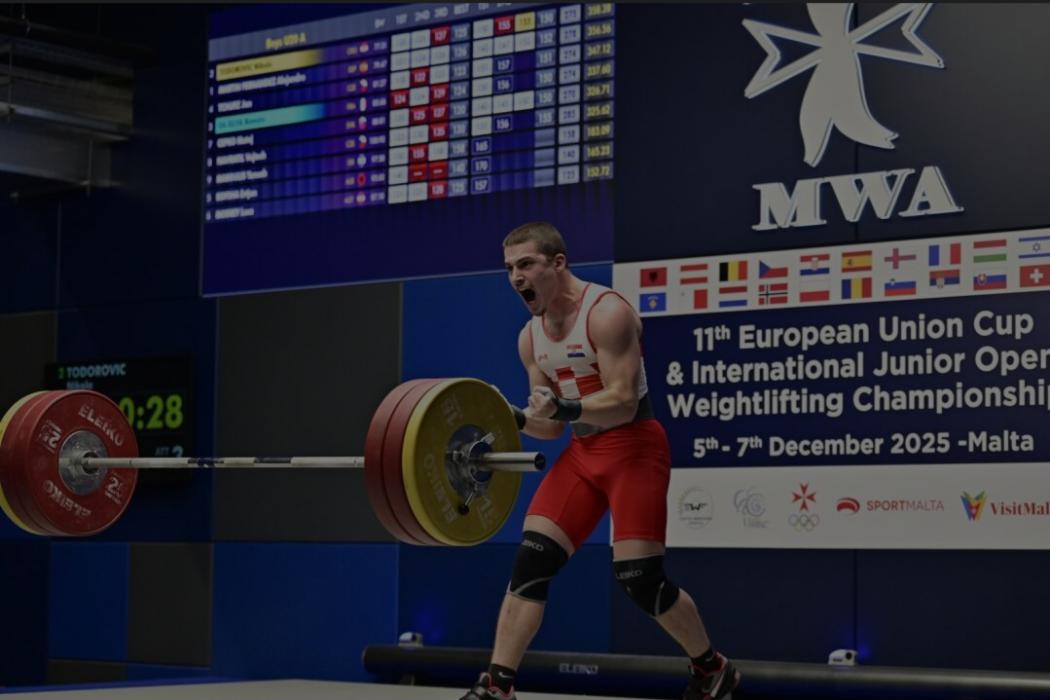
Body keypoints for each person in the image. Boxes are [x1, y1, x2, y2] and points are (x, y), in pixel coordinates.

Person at [459, 222, 741, 700]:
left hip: (635, 450)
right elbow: (550, 427)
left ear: (558, 263)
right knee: (531, 562)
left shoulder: (607, 313)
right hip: (583, 455)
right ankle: (498, 687)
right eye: (508, 268)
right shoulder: (530, 338)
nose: (516, 278)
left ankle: (713, 669)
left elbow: (624, 401)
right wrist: (514, 417)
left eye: (526, 264)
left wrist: (564, 408)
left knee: (641, 580)